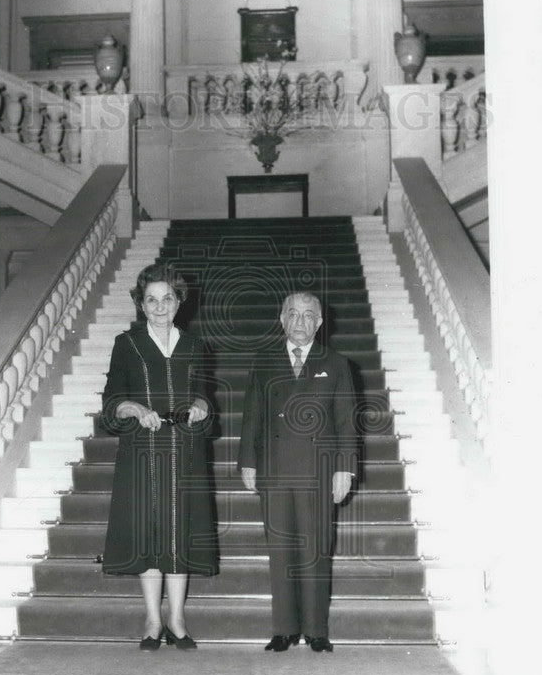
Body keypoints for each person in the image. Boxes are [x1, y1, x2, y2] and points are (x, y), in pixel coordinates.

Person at [100, 263, 217, 650]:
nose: (160, 306)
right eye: (151, 299)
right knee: (150, 534)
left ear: (179, 301)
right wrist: (135, 408)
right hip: (142, 453)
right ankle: (152, 620)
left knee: (179, 533)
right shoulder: (127, 344)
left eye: (167, 298)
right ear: (141, 305)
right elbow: (112, 401)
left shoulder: (196, 345)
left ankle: (177, 620)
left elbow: (204, 394)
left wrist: (200, 406)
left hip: (185, 450)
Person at [238, 291, 358, 653]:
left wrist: (345, 469)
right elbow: (252, 415)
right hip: (274, 468)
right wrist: (247, 460)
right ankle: (284, 628)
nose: (300, 321)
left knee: (316, 550)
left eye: (308, 315)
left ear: (320, 323)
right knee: (280, 550)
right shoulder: (263, 361)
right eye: (293, 314)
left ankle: (316, 629)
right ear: (282, 319)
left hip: (318, 470)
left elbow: (345, 421)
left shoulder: (335, 363)